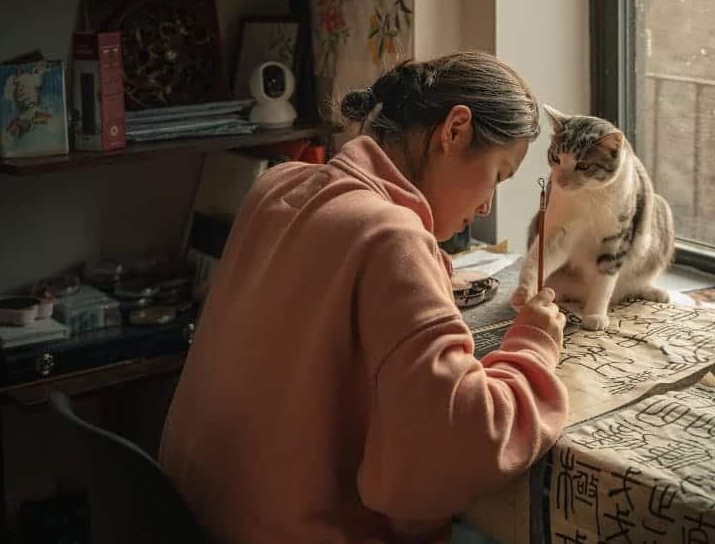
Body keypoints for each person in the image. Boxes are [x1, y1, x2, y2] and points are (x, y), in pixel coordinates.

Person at [159, 52, 569, 544]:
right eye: (498, 176)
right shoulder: (390, 236)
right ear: (455, 130)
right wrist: (532, 346)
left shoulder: (277, 184)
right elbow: (457, 443)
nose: (486, 205)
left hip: (196, 518)